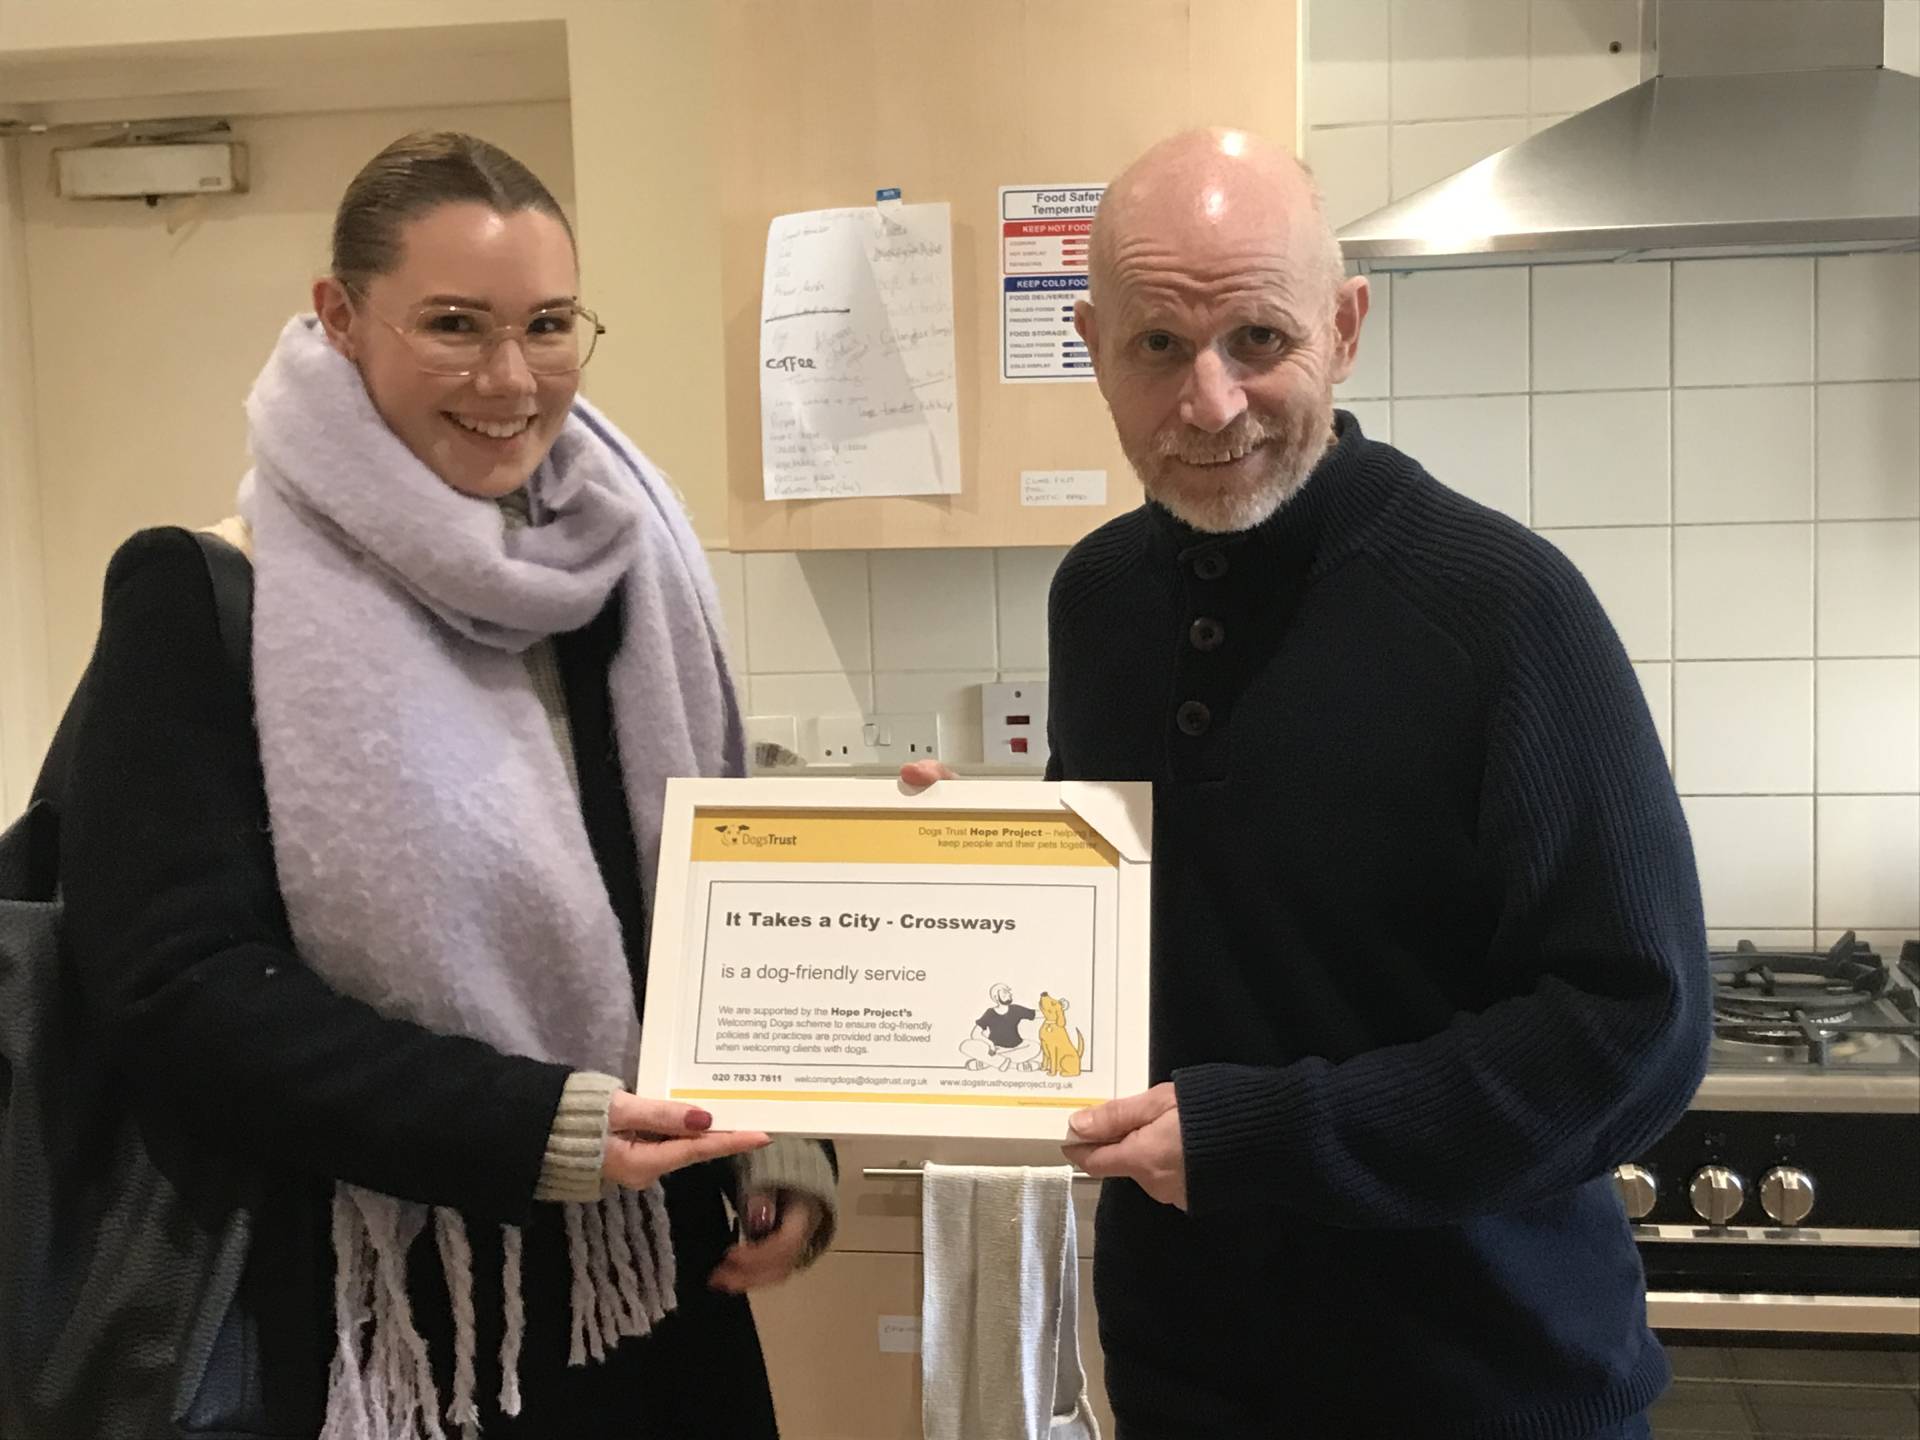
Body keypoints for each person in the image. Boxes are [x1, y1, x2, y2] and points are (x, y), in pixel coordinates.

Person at [908, 128, 1707, 1439]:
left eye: (1259, 341)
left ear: (1344, 329)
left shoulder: (1504, 608)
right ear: (1091, 342)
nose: (1210, 402)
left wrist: (1260, 1134)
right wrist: (956, 876)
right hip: (1188, 1378)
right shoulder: (1101, 598)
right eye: (1159, 344)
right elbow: (1120, 929)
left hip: (1483, 1390)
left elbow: (1635, 1031)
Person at [50, 131, 837, 1439]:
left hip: (661, 1295)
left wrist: (787, 1139)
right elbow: (176, 990)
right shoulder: (204, 598)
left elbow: (714, 908)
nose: (512, 377)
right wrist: (537, 1126)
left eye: (547, 324)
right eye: (455, 326)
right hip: (392, 1324)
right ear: (341, 319)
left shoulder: (627, 571)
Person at [959, 982, 1042, 1070]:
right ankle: (1015, 1066)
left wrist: (1057, 1007)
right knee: (965, 1045)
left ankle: (988, 1062)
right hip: (995, 1048)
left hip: (1016, 1047)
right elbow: (975, 1034)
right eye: (1005, 992)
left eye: (1009, 992)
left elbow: (1036, 1014)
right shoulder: (990, 1013)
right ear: (996, 997)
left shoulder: (1016, 1009)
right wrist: (990, 1044)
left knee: (1035, 1047)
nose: (1009, 994)